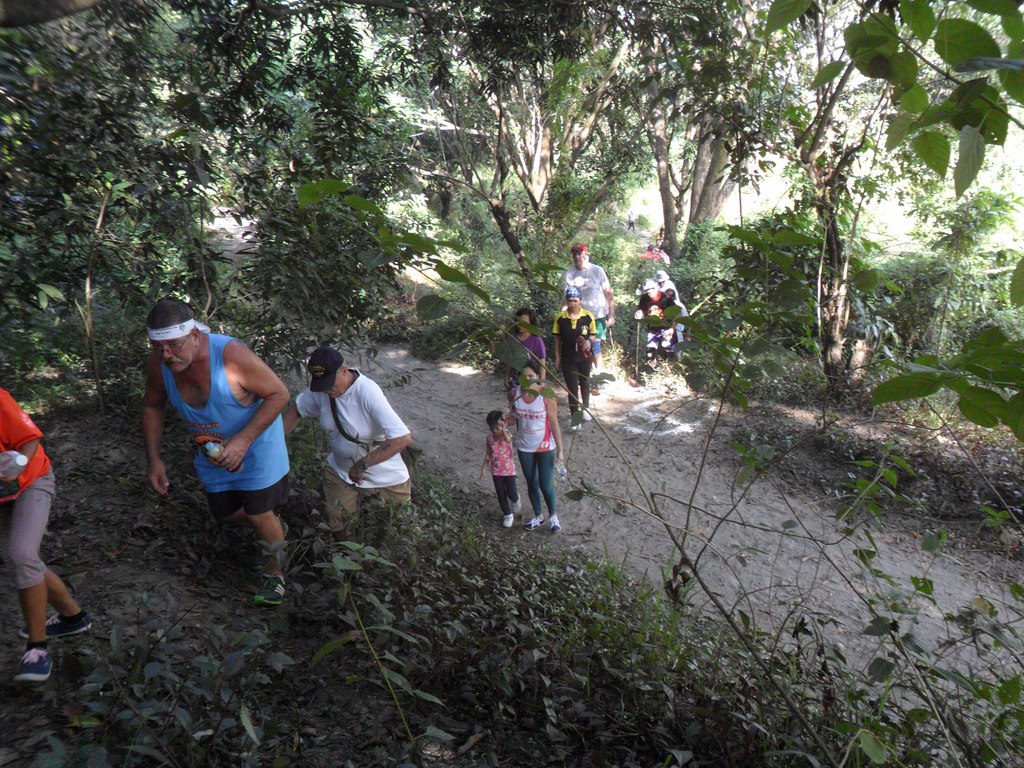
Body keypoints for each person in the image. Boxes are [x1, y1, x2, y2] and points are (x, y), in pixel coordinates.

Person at [142, 299, 290, 607]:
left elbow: (279, 393)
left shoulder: (231, 356)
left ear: (195, 335)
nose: (167, 355)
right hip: (212, 453)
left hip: (257, 446)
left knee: (258, 511)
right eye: (158, 347)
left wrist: (243, 441)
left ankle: (274, 575)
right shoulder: (159, 364)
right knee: (226, 514)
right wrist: (155, 459)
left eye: (174, 345)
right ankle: (275, 529)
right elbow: (152, 405)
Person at [2, 387, 91, 683]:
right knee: (22, 560)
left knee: (22, 555)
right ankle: (73, 617)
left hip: (32, 481)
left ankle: (37, 649)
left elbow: (30, 439)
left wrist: (17, 467)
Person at [283, 346, 412, 542]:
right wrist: (273, 442)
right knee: (339, 523)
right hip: (340, 471)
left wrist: (361, 465)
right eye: (321, 384)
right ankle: (344, 556)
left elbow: (401, 438)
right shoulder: (322, 390)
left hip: (386, 477)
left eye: (330, 383)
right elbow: (296, 411)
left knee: (394, 533)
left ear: (344, 371)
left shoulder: (367, 392)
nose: (326, 390)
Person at [510, 361, 564, 532]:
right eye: (524, 376)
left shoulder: (546, 395)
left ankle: (553, 516)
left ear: (538, 377)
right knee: (531, 483)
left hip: (545, 445)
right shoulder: (514, 393)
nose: (527, 379)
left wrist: (560, 450)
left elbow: (554, 423)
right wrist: (504, 421)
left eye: (531, 376)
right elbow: (513, 417)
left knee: (545, 484)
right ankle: (538, 516)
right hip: (524, 445)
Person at [563, 243, 615, 393]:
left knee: (595, 346)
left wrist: (611, 315)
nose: (576, 257)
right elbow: (567, 299)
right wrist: (562, 316)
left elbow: (608, 293)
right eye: (574, 254)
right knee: (581, 348)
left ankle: (598, 379)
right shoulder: (570, 274)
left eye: (579, 253)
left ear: (586, 255)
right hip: (578, 317)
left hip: (597, 316)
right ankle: (585, 380)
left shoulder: (597, 270)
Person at [552, 286, 597, 431]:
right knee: (572, 388)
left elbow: (593, 334)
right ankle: (575, 418)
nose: (572, 303)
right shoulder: (560, 318)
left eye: (575, 300)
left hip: (585, 356)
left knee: (584, 382)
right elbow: (557, 339)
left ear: (580, 301)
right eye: (570, 300)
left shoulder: (588, 316)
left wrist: (589, 341)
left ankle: (586, 408)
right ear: (566, 301)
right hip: (567, 357)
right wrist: (557, 357)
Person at [478, 410, 521, 528]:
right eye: (492, 428)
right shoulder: (489, 438)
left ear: (502, 425)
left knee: (511, 492)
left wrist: (504, 429)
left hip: (509, 470)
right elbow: (488, 454)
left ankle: (515, 499)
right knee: (501, 494)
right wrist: (483, 469)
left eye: (497, 428)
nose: (495, 431)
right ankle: (508, 515)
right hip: (496, 471)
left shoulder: (506, 434)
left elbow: (508, 440)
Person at [502, 307, 546, 403]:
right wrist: (506, 379)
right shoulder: (512, 339)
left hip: (531, 380)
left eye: (525, 322)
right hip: (515, 380)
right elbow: (509, 361)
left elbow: (542, 362)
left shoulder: (537, 340)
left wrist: (541, 382)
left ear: (531, 323)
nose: (521, 325)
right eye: (518, 321)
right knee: (515, 405)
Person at [635, 278, 681, 363]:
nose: (649, 291)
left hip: (667, 328)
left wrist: (672, 328)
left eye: (652, 288)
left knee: (669, 352)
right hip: (653, 329)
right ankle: (652, 368)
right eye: (647, 289)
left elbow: (677, 315)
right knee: (650, 352)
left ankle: (675, 368)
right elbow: (641, 309)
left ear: (658, 287)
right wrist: (639, 313)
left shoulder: (667, 299)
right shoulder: (644, 298)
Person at [654, 269, 690, 341]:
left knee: (682, 325)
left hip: (674, 306)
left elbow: (673, 297)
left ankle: (684, 339)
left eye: (663, 282)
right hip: (661, 310)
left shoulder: (669, 284)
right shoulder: (655, 287)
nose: (661, 284)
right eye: (660, 282)